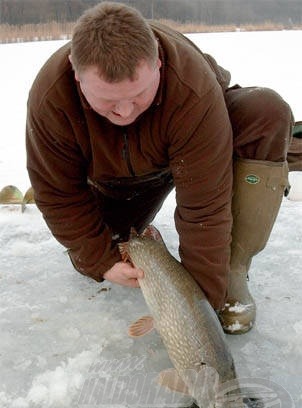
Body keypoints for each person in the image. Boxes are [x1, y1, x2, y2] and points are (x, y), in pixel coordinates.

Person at [26, 2, 297, 334]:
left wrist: (201, 307)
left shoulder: (191, 87)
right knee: (103, 249)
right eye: (108, 101)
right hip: (116, 181)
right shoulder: (51, 98)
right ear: (75, 71)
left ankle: (232, 269)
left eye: (138, 94)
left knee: (265, 111)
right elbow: (57, 193)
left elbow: (204, 210)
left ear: (158, 63)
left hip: (192, 152)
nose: (125, 111)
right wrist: (100, 259)